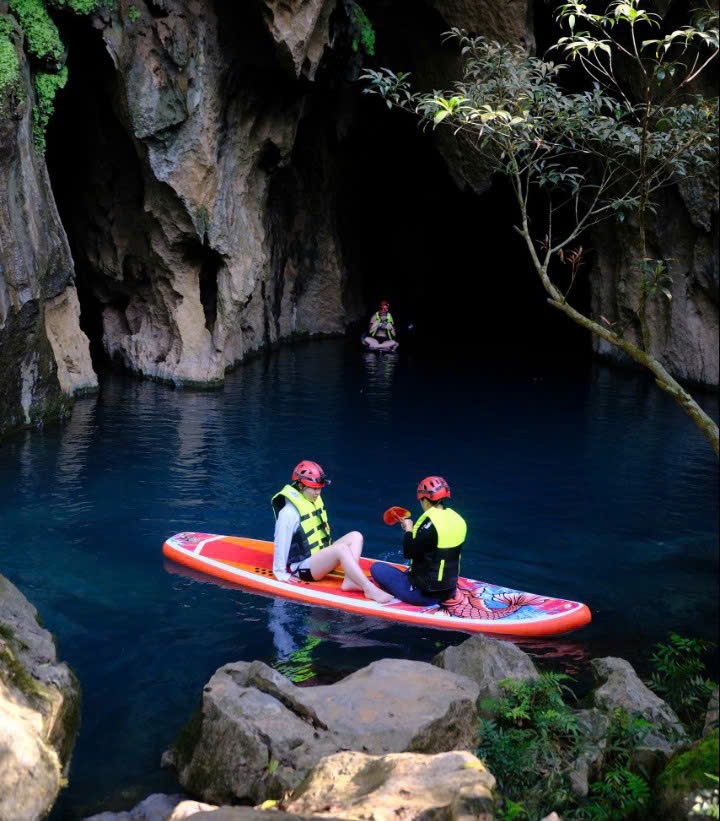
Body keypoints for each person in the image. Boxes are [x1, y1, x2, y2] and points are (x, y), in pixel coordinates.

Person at [272, 460, 393, 603]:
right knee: (341, 549)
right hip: (302, 567)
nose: (318, 492)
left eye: (319, 488)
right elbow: (281, 540)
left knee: (356, 536)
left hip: (319, 559)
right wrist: (280, 573)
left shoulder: (311, 499)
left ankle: (350, 581)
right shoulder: (288, 513)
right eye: (314, 489)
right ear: (300, 485)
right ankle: (369, 589)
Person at [370, 476, 467, 606]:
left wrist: (409, 530)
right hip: (449, 590)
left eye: (421, 500)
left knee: (377, 568)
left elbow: (408, 552)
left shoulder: (429, 524)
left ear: (426, 501)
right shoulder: (458, 520)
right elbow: (434, 545)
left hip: (424, 595)